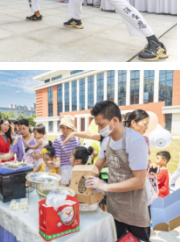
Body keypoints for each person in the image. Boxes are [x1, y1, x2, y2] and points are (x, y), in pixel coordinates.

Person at [86, 101, 150, 241]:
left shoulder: (135, 141)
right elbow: (97, 167)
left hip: (134, 208)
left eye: (101, 124)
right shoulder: (106, 141)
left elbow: (139, 181)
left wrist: (105, 186)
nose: (99, 129)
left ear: (114, 120)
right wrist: (82, 178)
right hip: (114, 205)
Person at [53, 115, 80, 185]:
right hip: (63, 172)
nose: (65, 130)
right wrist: (59, 182)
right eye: (62, 127)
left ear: (72, 128)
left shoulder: (77, 139)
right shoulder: (57, 141)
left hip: (75, 171)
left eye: (68, 128)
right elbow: (58, 162)